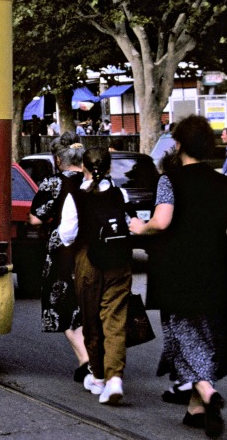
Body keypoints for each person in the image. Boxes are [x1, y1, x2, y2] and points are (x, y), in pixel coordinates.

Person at [130, 114, 227, 437]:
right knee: (206, 331)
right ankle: (196, 409)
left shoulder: (170, 180)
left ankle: (205, 389)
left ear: (178, 144)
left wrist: (139, 227)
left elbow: (162, 221)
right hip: (216, 265)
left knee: (182, 332)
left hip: (178, 267)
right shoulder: (221, 181)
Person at [61, 147, 134, 405]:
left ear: (83, 167)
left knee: (91, 320)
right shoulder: (120, 193)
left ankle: (99, 375)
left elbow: (67, 235)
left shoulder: (75, 197)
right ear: (110, 167)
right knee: (115, 320)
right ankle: (115, 378)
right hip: (119, 262)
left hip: (88, 262)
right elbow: (129, 225)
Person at [27, 133, 89, 384]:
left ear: (58, 160)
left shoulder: (52, 183)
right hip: (91, 249)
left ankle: (86, 361)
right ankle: (90, 360)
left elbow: (35, 218)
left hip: (62, 252)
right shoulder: (91, 181)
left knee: (63, 307)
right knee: (85, 307)